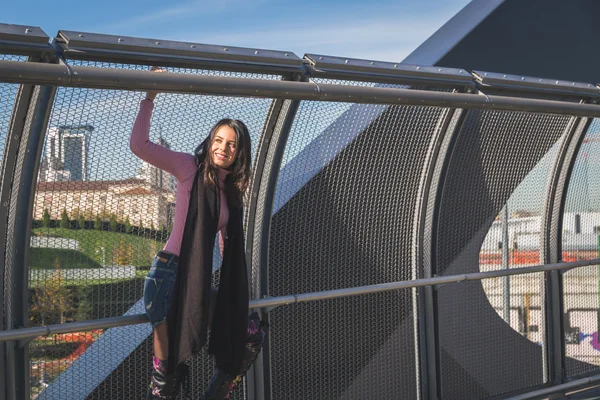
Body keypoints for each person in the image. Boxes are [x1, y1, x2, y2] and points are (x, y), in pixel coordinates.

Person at [130, 67, 264, 400]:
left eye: (231, 144)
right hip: (166, 276)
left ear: (239, 151)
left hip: (197, 282)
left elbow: (224, 243)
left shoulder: (230, 192)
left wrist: (234, 291)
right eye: (218, 140)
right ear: (210, 142)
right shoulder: (189, 168)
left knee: (249, 335)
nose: (223, 148)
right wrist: (149, 97)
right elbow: (140, 145)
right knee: (166, 375)